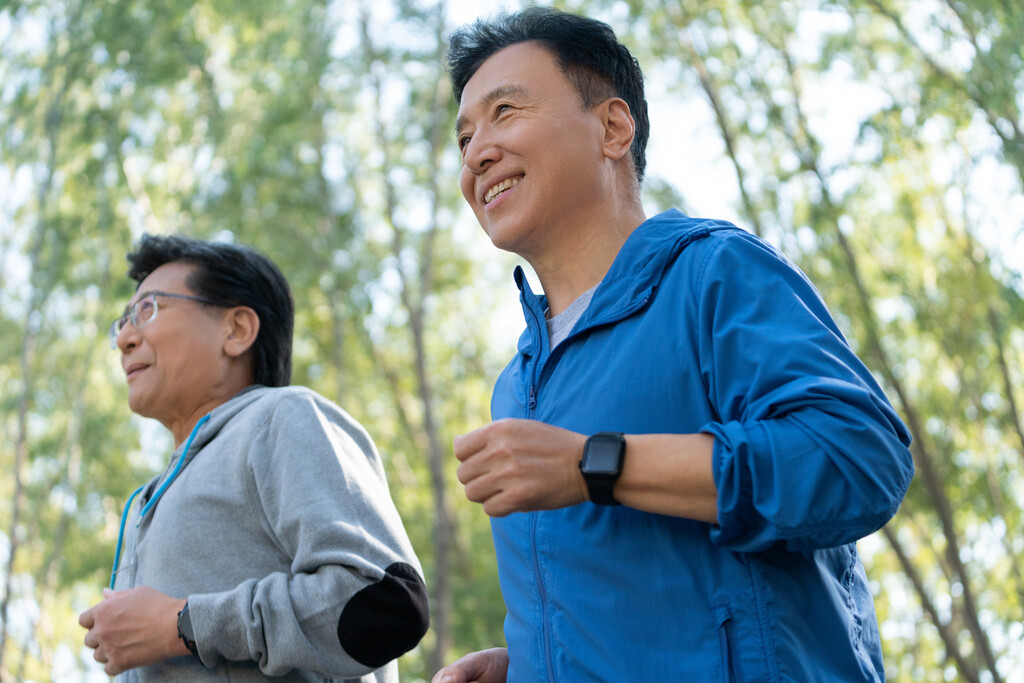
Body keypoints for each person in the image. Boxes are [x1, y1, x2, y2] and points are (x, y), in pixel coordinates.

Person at [435, 7, 914, 683]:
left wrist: (596, 463)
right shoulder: (518, 383)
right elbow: (649, 597)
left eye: (505, 111)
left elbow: (860, 457)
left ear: (612, 128)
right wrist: (531, 663)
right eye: (463, 138)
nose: (477, 151)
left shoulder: (714, 273)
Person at [79, 234, 429, 682]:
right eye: (123, 321)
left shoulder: (281, 417)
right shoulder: (147, 498)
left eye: (148, 309)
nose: (125, 338)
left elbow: (385, 601)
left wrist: (181, 624)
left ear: (237, 330)